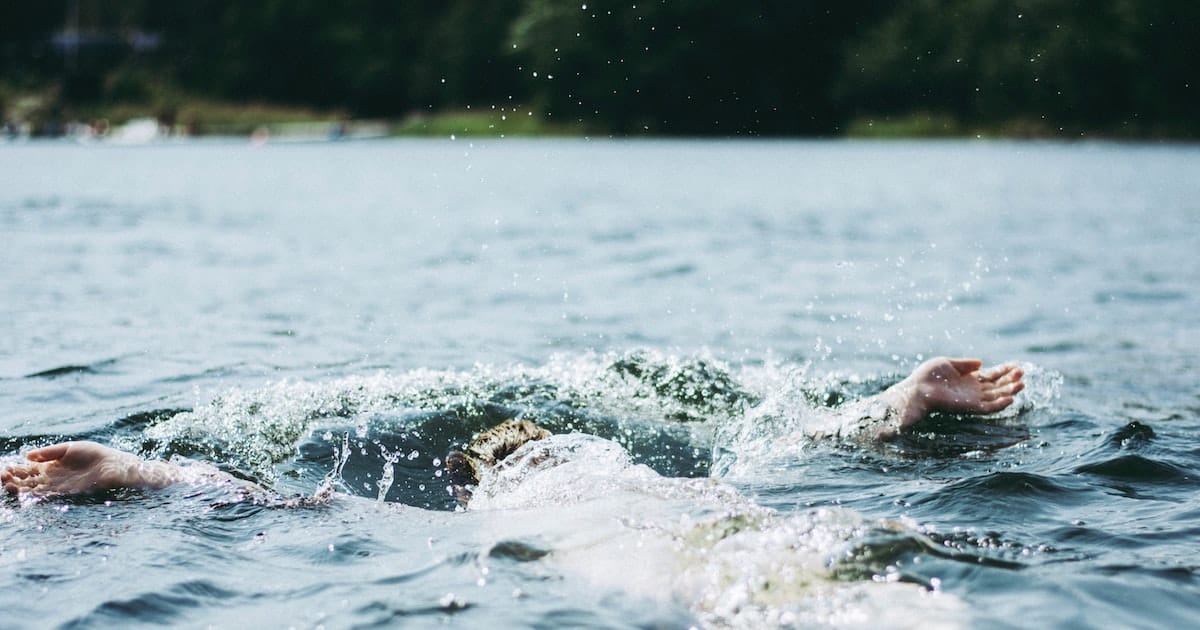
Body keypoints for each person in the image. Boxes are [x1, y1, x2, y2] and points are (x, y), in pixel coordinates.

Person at [2, 356, 1023, 499]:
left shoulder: (495, 517)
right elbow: (800, 446)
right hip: (690, 507)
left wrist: (133, 472)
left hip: (626, 528)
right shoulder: (647, 470)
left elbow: (274, 505)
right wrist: (900, 402)